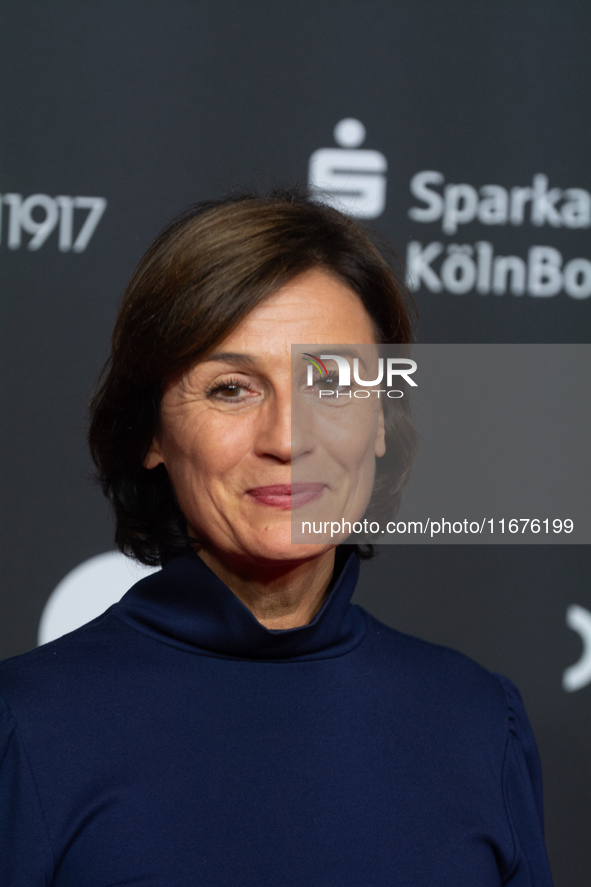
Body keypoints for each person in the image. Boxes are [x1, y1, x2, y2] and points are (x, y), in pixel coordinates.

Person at [0, 192, 553, 885]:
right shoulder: (24, 727)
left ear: (381, 421)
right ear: (151, 431)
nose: (288, 440)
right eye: (233, 388)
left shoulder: (477, 722)